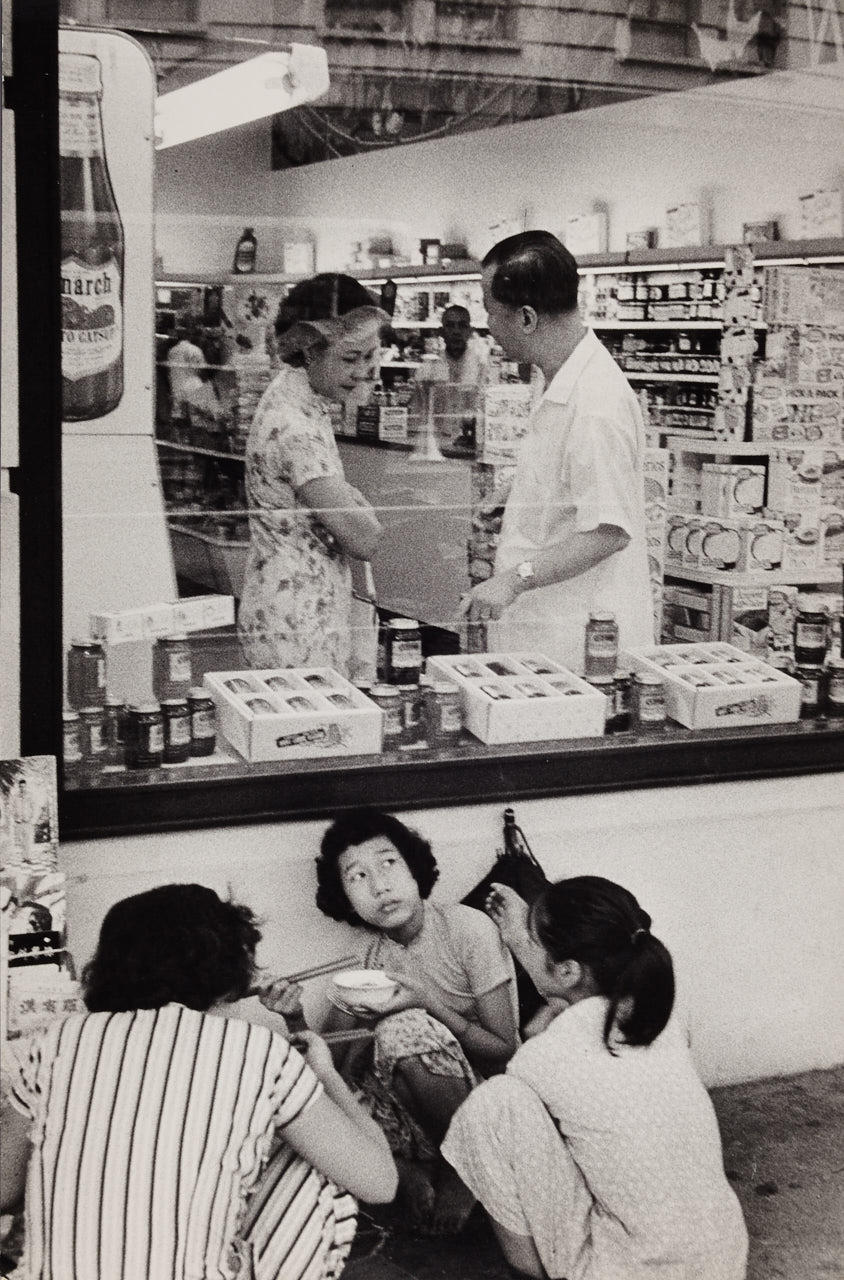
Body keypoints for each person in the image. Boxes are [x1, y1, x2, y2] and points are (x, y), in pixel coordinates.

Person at [0, 883, 397, 1280]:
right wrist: (325, 1075)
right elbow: (380, 1185)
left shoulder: (55, 1042)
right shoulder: (259, 1051)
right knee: (315, 1155)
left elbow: (4, 1189)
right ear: (226, 964)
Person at [441, 876, 748, 1280]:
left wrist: (535, 1032)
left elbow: (522, 1121)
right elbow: (583, 1014)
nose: (521, 948)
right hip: (721, 1261)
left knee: (493, 1105)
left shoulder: (543, 1056)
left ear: (567, 971)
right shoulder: (662, 1014)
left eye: (529, 943)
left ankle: (532, 1273)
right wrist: (526, 943)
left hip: (629, 1270)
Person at [309, 808, 520, 1233]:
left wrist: (426, 1005)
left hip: (483, 1099)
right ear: (344, 898)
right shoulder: (369, 957)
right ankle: (407, 1171)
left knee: (404, 1027)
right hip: (413, 1109)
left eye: (389, 864)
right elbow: (332, 1063)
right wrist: (294, 1012)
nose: (380, 886)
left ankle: (464, 1170)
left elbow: (504, 1049)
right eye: (358, 877)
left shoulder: (467, 930)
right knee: (323, 1091)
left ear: (413, 867)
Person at [462, 231, 655, 672]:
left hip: (578, 645)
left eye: (491, 312)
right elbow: (570, 484)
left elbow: (609, 531)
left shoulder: (596, 403)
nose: (487, 326)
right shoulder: (556, 378)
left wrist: (514, 580)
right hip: (545, 637)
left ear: (527, 318)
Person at [237, 274, 385, 673]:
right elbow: (364, 538)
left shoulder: (299, 400)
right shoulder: (296, 428)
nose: (366, 372)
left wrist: (347, 500)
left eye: (372, 355)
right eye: (351, 358)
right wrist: (357, 505)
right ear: (308, 352)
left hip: (298, 606)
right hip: (297, 621)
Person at [415, 304, 490, 387]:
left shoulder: (481, 366)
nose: (456, 331)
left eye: (462, 326)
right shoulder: (429, 368)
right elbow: (420, 398)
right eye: (450, 326)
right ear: (441, 332)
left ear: (470, 331)